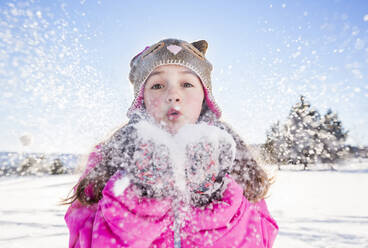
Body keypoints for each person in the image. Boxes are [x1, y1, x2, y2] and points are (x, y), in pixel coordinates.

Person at [63, 38, 278, 248]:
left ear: (205, 98)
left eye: (186, 84)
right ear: (142, 101)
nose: (173, 95)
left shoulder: (233, 156)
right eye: (157, 85)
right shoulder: (112, 156)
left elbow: (261, 236)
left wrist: (213, 195)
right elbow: (83, 238)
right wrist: (144, 197)